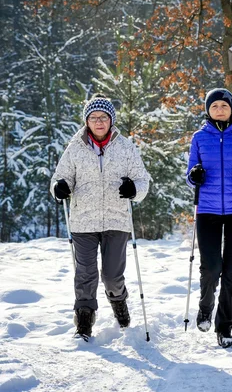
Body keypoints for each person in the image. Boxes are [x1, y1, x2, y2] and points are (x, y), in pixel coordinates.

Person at [50, 93, 151, 339]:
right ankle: (84, 319)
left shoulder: (125, 147)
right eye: (93, 117)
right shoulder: (75, 148)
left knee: (112, 275)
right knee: (85, 273)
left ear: (110, 120)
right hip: (83, 220)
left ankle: (119, 303)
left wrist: (134, 189)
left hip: (116, 219)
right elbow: (59, 179)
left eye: (103, 117)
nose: (98, 122)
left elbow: (143, 180)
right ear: (86, 121)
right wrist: (59, 188)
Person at [186, 88, 232, 348]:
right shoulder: (199, 138)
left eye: (224, 105)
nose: (219, 109)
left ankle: (225, 326)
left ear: (231, 108)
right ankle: (205, 307)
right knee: (211, 267)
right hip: (207, 210)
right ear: (208, 109)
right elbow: (189, 173)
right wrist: (194, 175)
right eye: (214, 105)